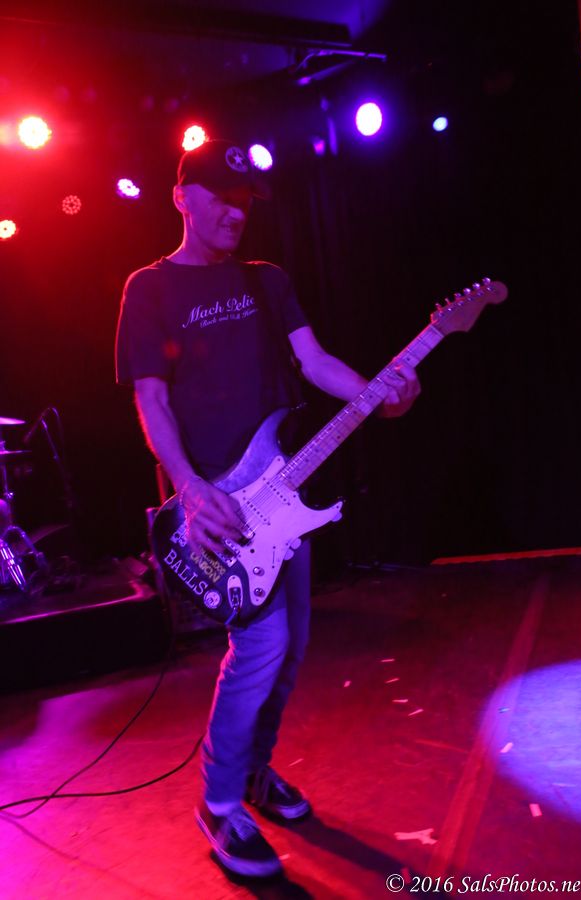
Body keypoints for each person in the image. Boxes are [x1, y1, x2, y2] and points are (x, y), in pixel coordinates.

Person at [115, 139, 420, 878]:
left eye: (245, 201)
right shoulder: (149, 289)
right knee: (261, 644)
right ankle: (219, 802)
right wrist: (190, 487)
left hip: (282, 496)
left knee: (293, 648)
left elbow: (313, 362)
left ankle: (255, 771)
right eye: (221, 197)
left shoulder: (266, 279)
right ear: (182, 197)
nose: (236, 212)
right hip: (216, 506)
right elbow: (152, 400)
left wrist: (376, 395)